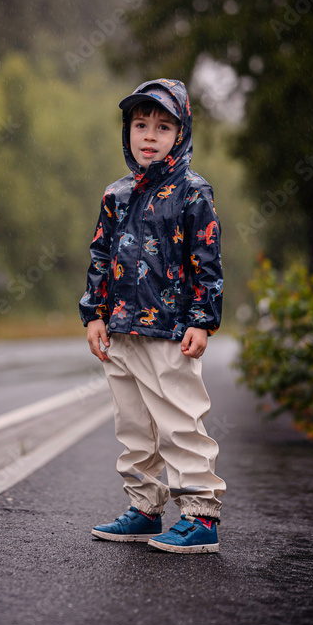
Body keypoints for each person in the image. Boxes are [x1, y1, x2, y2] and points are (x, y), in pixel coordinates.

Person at [80, 78, 225, 553]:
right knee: (134, 425)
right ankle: (145, 508)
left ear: (180, 134)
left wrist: (202, 319)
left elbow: (207, 262)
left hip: (170, 331)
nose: (149, 135)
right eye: (140, 125)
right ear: (128, 132)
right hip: (120, 327)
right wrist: (94, 315)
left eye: (162, 127)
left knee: (180, 420)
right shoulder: (116, 195)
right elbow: (101, 256)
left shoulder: (192, 192)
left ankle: (200, 516)